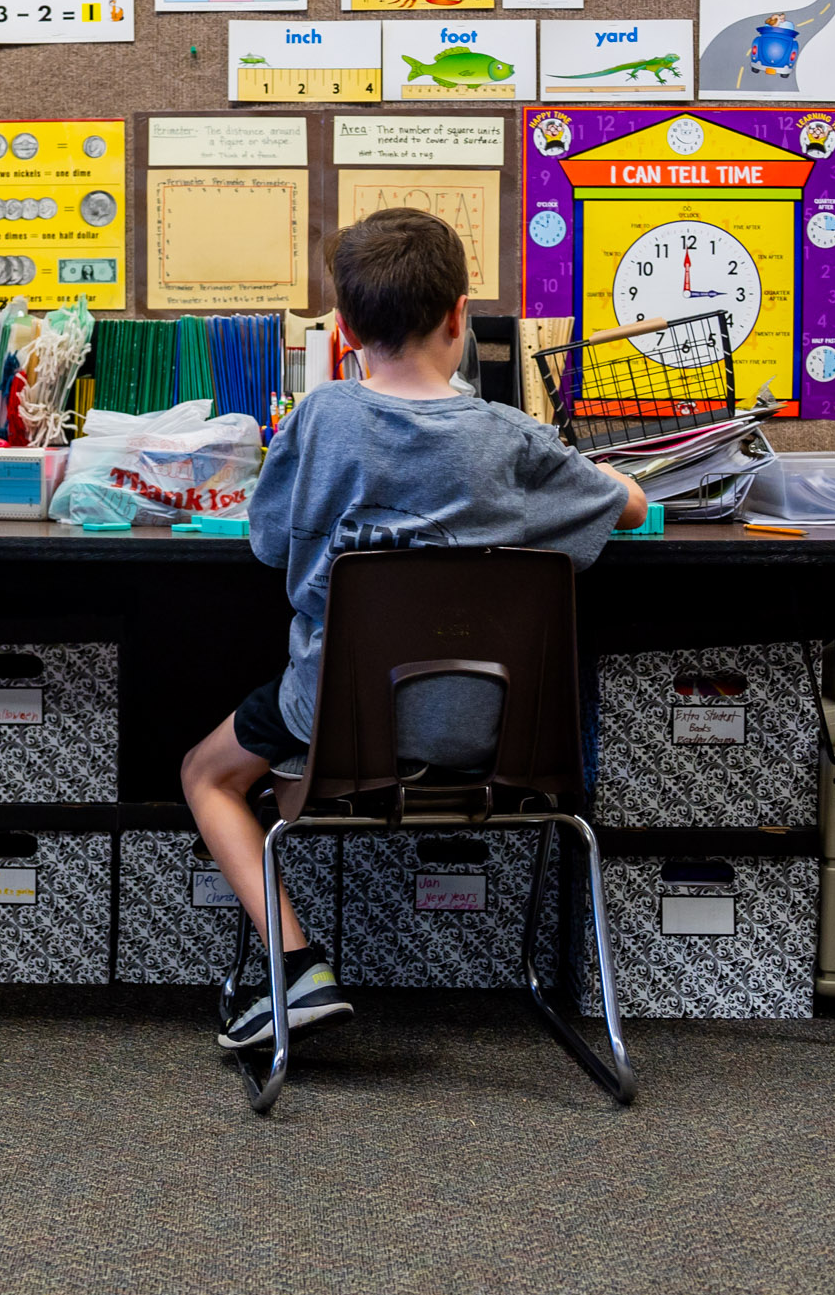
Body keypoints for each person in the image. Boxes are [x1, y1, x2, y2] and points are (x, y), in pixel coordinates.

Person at [178, 210, 646, 1053]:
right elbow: (630, 508)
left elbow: (267, 541)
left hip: (337, 732)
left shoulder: (320, 419)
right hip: (497, 736)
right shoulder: (511, 438)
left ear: (345, 330)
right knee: (291, 759)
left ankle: (297, 971)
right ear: (461, 317)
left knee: (207, 774)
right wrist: (595, 474)